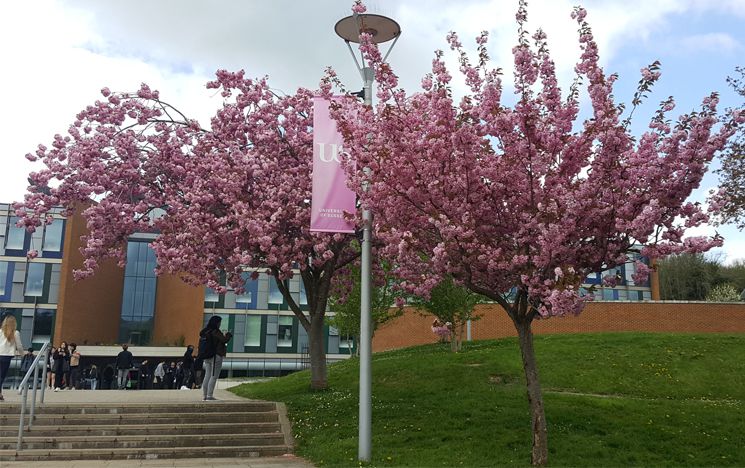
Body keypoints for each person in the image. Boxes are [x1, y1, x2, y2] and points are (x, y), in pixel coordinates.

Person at [200, 315, 232, 401]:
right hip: (216, 356)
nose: (220, 324)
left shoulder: (205, 331)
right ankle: (209, 396)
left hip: (206, 355)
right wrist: (228, 335)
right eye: (220, 322)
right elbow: (224, 340)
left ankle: (205, 395)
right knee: (214, 376)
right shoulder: (216, 332)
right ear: (217, 323)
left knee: (207, 375)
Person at [0, 315, 25, 401]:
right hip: (6, 356)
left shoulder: (0, 331)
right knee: (1, 375)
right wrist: (23, 355)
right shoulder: (15, 333)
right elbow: (19, 346)